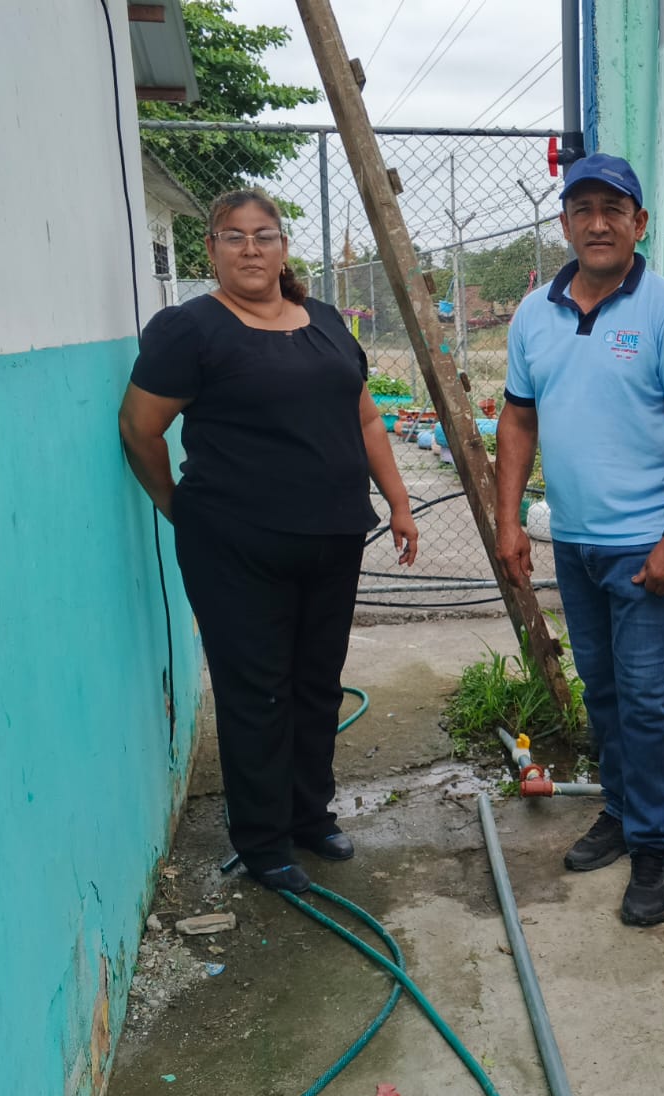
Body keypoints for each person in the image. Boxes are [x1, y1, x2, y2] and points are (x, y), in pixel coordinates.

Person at [119, 189, 420, 895]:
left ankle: (311, 816)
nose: (250, 248)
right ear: (211, 249)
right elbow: (139, 427)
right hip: (236, 547)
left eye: (264, 234)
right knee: (256, 693)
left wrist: (400, 501)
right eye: (233, 236)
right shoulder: (190, 330)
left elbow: (365, 418)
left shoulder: (325, 321)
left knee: (317, 684)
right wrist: (175, 505)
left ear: (283, 247)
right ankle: (262, 841)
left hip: (333, 538)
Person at [494, 154, 664, 927]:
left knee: (646, 700)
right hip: (574, 544)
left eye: (615, 209)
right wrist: (509, 521)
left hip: (645, 547)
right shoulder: (532, 315)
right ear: (565, 223)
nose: (598, 223)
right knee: (603, 692)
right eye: (583, 210)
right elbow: (518, 419)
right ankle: (619, 810)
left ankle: (654, 847)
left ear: (639, 223)